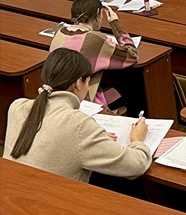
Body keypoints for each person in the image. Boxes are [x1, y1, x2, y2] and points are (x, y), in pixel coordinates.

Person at [3, 48, 151, 183]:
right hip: (50, 200)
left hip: (11, 193)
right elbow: (136, 165)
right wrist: (137, 139)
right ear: (79, 83)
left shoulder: (17, 107)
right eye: (89, 82)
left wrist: (93, 139)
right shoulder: (79, 125)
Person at [50, 0, 140, 111]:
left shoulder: (59, 31)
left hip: (58, 96)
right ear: (98, 14)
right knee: (132, 88)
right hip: (86, 100)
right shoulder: (95, 40)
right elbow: (132, 55)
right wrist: (115, 23)